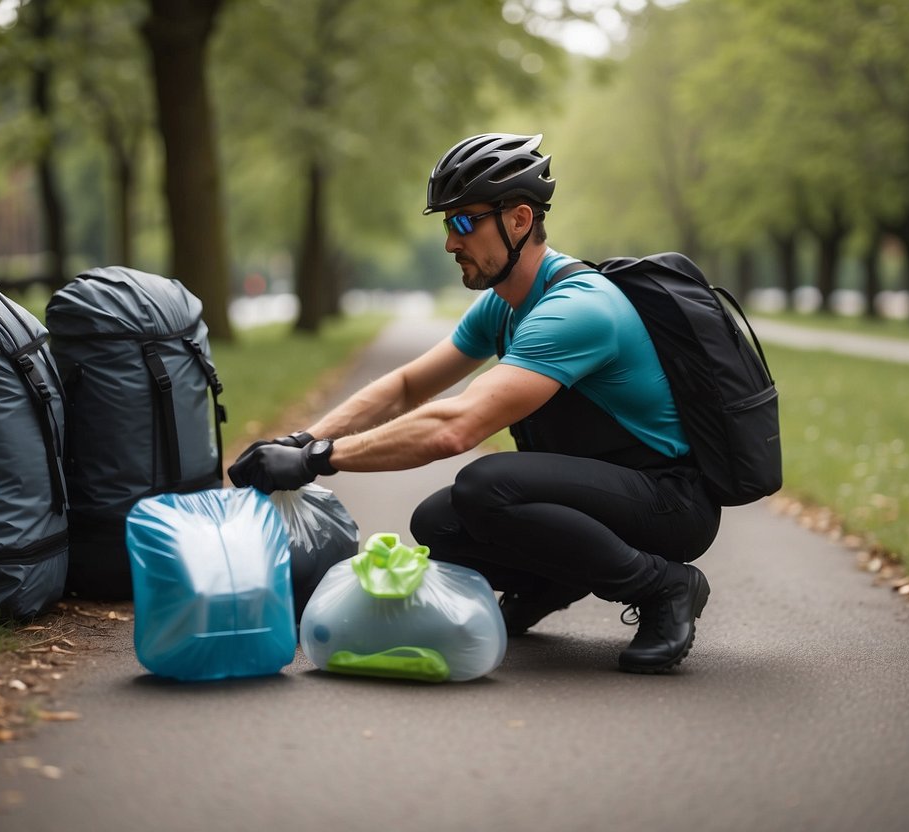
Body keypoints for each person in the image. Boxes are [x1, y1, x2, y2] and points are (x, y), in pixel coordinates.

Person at [229, 133, 720, 674]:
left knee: (487, 486)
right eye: (446, 223)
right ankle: (547, 585)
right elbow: (406, 387)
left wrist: (315, 460)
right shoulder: (504, 306)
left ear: (519, 220)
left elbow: (454, 428)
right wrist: (302, 438)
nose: (449, 242)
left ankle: (666, 587)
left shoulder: (578, 308)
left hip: (668, 502)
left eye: (464, 222)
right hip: (603, 493)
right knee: (438, 523)